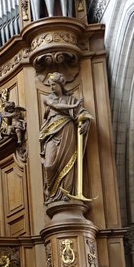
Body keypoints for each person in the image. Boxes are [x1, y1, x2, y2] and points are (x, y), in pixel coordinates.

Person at [39, 72, 92, 202]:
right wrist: (74, 106)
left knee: (68, 163)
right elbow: (56, 106)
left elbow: (82, 113)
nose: (51, 88)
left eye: (53, 85)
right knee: (48, 165)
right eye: (50, 85)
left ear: (60, 85)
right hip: (52, 133)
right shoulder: (48, 98)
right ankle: (50, 191)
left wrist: (85, 121)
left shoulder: (71, 99)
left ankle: (65, 194)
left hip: (67, 131)